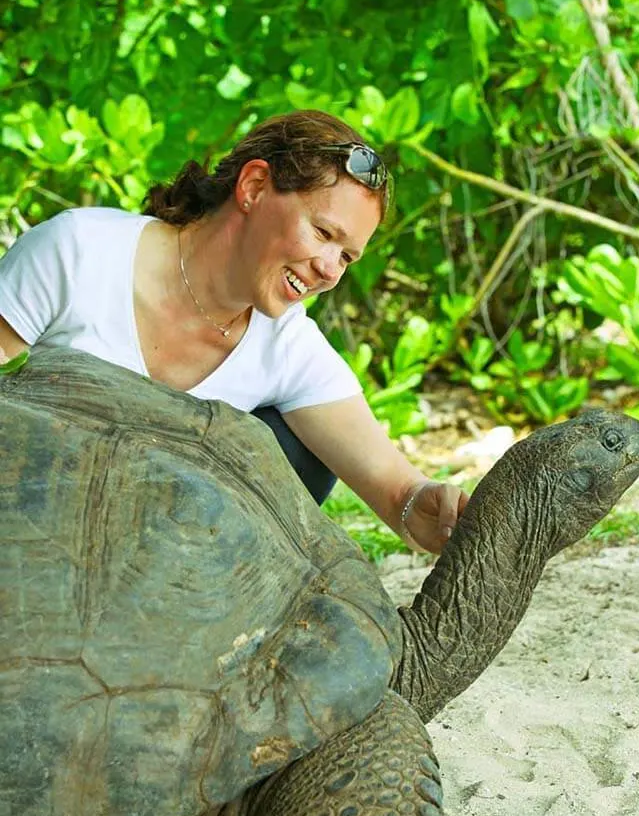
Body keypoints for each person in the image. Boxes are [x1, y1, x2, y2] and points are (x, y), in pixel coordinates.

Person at [0, 109, 467, 552]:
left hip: (159, 576)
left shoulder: (286, 342)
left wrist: (425, 510)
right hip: (30, 536)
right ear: (254, 186)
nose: (329, 270)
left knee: (300, 452)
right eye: (324, 233)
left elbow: (397, 490)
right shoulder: (78, 251)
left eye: (347, 257)